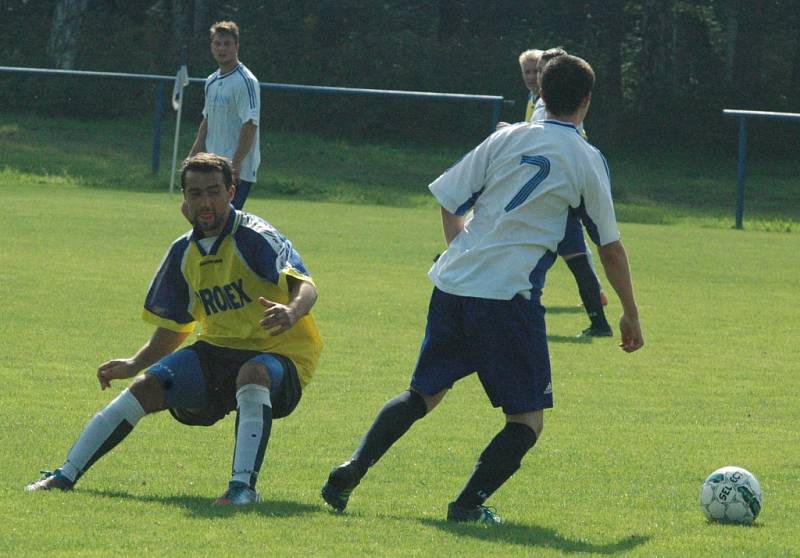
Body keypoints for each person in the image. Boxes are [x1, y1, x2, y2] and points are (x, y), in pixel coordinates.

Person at [320, 55, 644, 524]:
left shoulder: (506, 136)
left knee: (422, 395)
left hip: (453, 286)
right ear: (587, 100)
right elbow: (609, 247)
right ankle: (467, 505)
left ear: (541, 94)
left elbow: (449, 201)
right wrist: (630, 311)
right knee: (527, 419)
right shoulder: (586, 158)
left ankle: (352, 467)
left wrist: (463, 253)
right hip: (508, 297)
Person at [26, 153, 323, 505]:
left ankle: (242, 490)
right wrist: (133, 365)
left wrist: (290, 312)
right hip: (216, 352)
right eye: (196, 194)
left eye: (214, 191)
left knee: (254, 373)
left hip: (280, 354)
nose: (206, 202)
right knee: (147, 387)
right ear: (185, 198)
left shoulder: (256, 237)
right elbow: (174, 327)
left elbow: (306, 286)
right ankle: (64, 475)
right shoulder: (183, 252)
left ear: (231, 192)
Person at [507, 47, 611, 336]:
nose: (536, 76)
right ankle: (599, 320)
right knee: (576, 257)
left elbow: (549, 138)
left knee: (564, 256)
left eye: (541, 71)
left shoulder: (549, 105)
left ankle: (597, 320)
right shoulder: (541, 101)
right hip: (557, 190)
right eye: (534, 71)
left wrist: (511, 131)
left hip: (556, 192)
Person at [189, 21, 260, 210]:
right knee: (191, 211)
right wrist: (193, 156)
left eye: (227, 44)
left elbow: (250, 124)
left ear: (237, 46)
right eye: (217, 43)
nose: (222, 48)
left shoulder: (246, 81)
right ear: (211, 46)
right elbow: (207, 120)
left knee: (222, 224)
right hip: (213, 167)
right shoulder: (211, 81)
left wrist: (235, 164)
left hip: (235, 171)